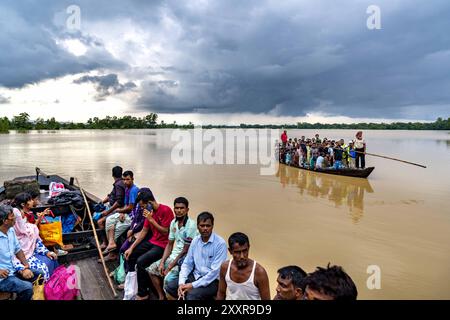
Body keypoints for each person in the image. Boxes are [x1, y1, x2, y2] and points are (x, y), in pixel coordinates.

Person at [123, 189, 173, 300]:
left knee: (141, 261)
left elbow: (166, 231)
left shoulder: (166, 210)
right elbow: (144, 231)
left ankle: (143, 293)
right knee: (131, 255)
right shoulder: (149, 213)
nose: (142, 209)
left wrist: (151, 220)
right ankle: (132, 284)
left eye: (143, 206)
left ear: (149, 203)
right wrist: (131, 248)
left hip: (162, 245)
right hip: (152, 242)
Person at [165, 212, 227, 300]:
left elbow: (214, 272)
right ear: (197, 226)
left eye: (208, 226)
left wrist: (192, 285)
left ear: (212, 226)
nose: (205, 228)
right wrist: (181, 283)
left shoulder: (220, 244)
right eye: (202, 225)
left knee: (192, 296)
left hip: (212, 281)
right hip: (195, 276)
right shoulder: (195, 241)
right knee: (170, 287)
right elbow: (187, 264)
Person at [147, 197, 198, 300]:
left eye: (182, 208)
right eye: (176, 208)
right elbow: (170, 244)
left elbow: (185, 250)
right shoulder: (173, 223)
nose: (179, 211)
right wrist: (162, 262)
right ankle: (161, 296)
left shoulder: (191, 225)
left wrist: (169, 267)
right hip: (173, 256)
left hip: (184, 260)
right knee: (151, 269)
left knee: (167, 280)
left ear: (187, 210)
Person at [0, 204, 45, 300]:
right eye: (12, 217)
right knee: (27, 288)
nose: (15, 218)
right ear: (5, 221)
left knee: (40, 275)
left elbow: (18, 250)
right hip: (3, 278)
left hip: (14, 269)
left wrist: (25, 266)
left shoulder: (10, 230)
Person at [12, 193, 58, 280]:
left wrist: (46, 252)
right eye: (30, 200)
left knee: (53, 258)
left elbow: (35, 238)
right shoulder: (13, 234)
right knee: (43, 270)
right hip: (24, 258)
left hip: (31, 251)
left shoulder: (28, 221)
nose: (32, 201)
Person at [216, 232, 270, 300]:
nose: (242, 256)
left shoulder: (259, 272)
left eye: (245, 251)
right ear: (230, 251)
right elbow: (221, 293)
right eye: (237, 252)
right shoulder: (225, 267)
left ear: (249, 248)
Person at [103, 170, 140, 261]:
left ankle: (112, 253)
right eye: (124, 179)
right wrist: (122, 212)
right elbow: (125, 205)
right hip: (126, 213)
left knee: (117, 228)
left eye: (128, 179)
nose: (125, 182)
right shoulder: (127, 189)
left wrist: (119, 210)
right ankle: (111, 243)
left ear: (132, 179)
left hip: (132, 216)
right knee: (109, 220)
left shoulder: (134, 190)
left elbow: (131, 207)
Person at [96, 166, 126, 249]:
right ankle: (106, 242)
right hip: (113, 207)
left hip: (117, 210)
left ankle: (105, 243)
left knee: (100, 222)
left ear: (112, 174)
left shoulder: (119, 185)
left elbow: (119, 202)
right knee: (99, 215)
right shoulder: (119, 183)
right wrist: (102, 202)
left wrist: (108, 212)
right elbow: (110, 196)